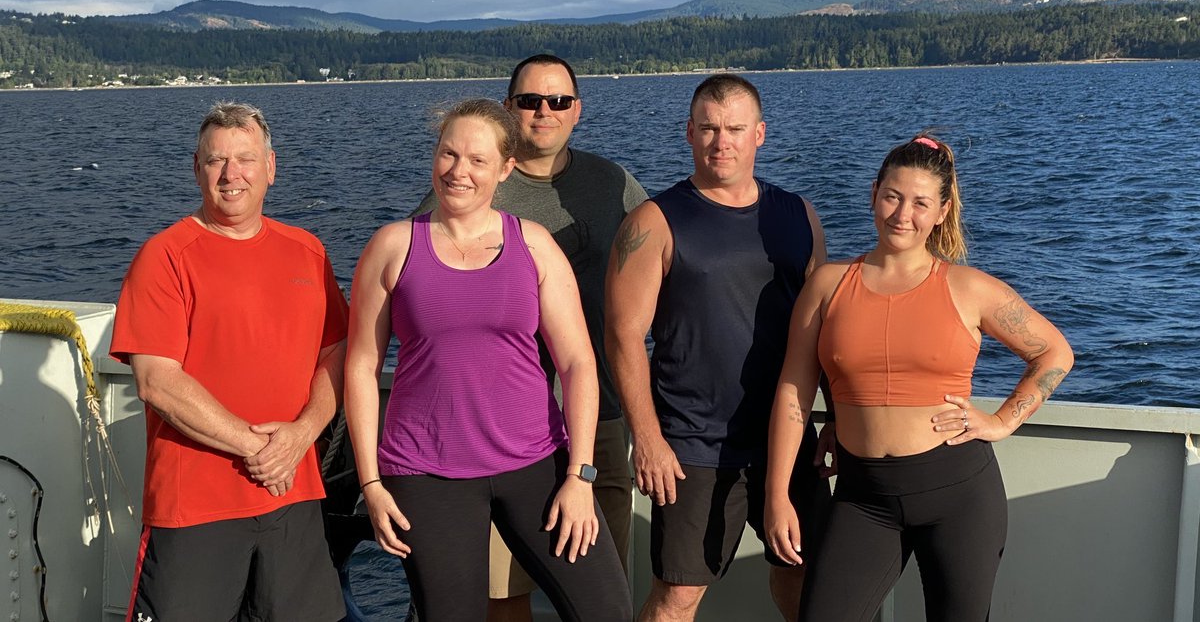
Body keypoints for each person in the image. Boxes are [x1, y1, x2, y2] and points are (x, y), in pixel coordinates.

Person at [765, 134, 1075, 622]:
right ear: (873, 194)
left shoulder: (967, 287)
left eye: (920, 203)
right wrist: (777, 494)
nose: (901, 214)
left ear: (942, 211)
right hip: (861, 496)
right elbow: (794, 390)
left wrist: (1001, 422)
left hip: (957, 493)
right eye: (892, 196)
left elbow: (1054, 352)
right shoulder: (828, 285)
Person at [345, 98, 632, 622]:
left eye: (478, 160)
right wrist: (371, 484)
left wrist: (580, 475)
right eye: (448, 154)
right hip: (428, 473)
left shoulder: (536, 247)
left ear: (505, 169)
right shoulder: (392, 247)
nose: (459, 172)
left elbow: (577, 364)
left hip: (538, 463)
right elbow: (362, 368)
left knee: (605, 609)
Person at [413, 54, 647, 622]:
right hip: (497, 430)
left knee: (599, 585)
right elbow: (417, 284)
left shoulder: (612, 183)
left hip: (600, 415)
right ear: (508, 107)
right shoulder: (468, 189)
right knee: (503, 590)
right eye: (529, 101)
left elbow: (668, 260)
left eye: (559, 101)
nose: (545, 112)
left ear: (577, 111)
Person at [110, 101, 348, 622]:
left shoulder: (308, 251)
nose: (231, 174)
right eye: (216, 160)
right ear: (196, 168)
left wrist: (303, 433)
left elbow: (338, 351)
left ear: (271, 168)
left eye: (245, 158)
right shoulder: (165, 255)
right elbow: (157, 381)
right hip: (194, 505)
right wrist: (261, 449)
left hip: (293, 497)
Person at [605, 73, 830, 622]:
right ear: (688, 133)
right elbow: (623, 335)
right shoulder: (655, 221)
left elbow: (825, 330)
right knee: (677, 597)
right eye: (708, 128)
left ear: (760, 134)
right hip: (694, 446)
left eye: (734, 128)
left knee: (808, 576)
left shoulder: (798, 215)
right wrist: (649, 438)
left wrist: (839, 422)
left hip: (786, 436)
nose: (720, 141)